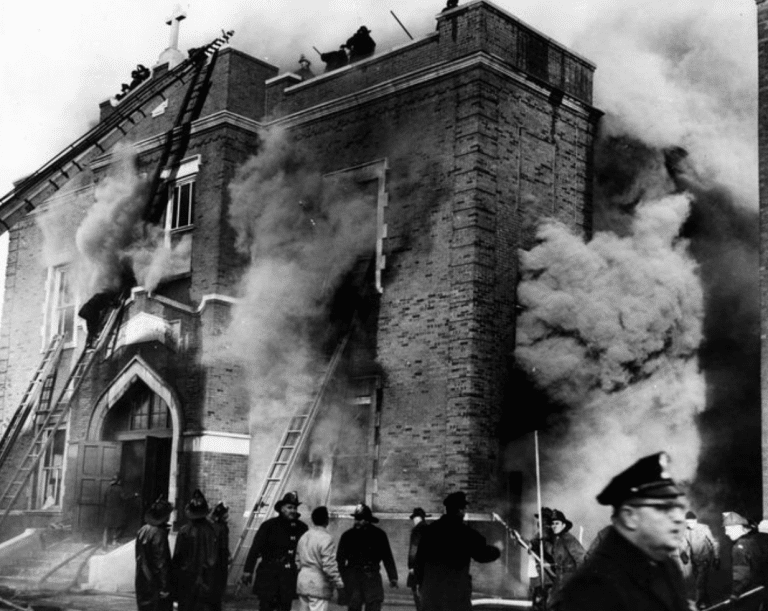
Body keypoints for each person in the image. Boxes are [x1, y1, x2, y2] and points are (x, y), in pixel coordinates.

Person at [559, 451, 690, 611]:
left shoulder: (667, 566)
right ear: (630, 516)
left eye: (678, 507)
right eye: (662, 508)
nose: (678, 518)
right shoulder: (593, 586)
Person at [414, 491, 500, 611]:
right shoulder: (467, 534)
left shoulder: (429, 531)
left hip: (431, 594)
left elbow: (419, 560)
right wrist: (497, 549)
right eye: (464, 509)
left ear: (447, 509)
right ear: (461, 510)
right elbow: (482, 555)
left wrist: (419, 583)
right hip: (456, 595)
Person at [242, 491, 309, 611]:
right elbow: (255, 548)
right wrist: (248, 570)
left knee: (285, 607)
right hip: (269, 573)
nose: (293, 510)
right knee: (266, 607)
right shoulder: (268, 526)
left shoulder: (301, 528)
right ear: (281, 508)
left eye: (294, 508)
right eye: (289, 507)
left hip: (288, 576)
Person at [336, 503, 398, 611]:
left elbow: (387, 557)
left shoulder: (379, 535)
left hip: (372, 577)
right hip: (353, 578)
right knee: (354, 607)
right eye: (356, 518)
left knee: (374, 606)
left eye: (360, 519)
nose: (357, 522)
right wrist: (340, 580)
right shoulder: (348, 536)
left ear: (368, 520)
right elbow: (340, 560)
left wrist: (393, 577)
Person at [173, 489, 219, 611]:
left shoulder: (184, 531)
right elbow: (213, 559)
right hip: (206, 579)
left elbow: (178, 557)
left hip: (186, 579)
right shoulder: (212, 531)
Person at [296, 506, 345, 611]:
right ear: (327, 520)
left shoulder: (304, 536)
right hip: (318, 585)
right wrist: (339, 585)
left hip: (302, 582)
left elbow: (297, 561)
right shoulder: (326, 538)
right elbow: (329, 566)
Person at [722, 511, 768, 610]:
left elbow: (742, 575)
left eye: (727, 529)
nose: (726, 533)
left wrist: (735, 594)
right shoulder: (758, 538)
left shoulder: (739, 547)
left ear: (737, 527)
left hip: (756, 590)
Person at [135, 496, 174, 611]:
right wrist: (164, 586)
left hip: (142, 581)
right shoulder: (159, 534)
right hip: (155, 584)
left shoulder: (143, 530)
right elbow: (161, 561)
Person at [675, 511, 719, 608]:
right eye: (687, 523)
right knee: (701, 584)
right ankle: (708, 604)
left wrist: (716, 557)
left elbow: (714, 542)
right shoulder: (686, 531)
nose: (690, 525)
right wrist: (682, 553)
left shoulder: (704, 528)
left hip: (705, 559)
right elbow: (683, 545)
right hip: (695, 560)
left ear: (696, 520)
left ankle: (698, 604)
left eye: (691, 522)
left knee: (699, 584)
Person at [547, 509, 586, 609]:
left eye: (557, 523)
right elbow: (556, 556)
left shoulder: (569, 539)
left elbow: (582, 559)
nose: (554, 525)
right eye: (552, 523)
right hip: (559, 579)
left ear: (564, 525)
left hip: (569, 579)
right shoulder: (558, 540)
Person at [407, 507, 431, 611]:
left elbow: (414, 549)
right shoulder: (431, 530)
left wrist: (412, 566)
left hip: (418, 570)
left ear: (417, 518)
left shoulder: (417, 530)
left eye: (414, 518)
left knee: (419, 598)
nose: (413, 521)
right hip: (430, 570)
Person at [209, 501, 230, 611]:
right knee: (218, 589)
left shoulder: (212, 526)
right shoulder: (222, 528)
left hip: (212, 562)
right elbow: (223, 546)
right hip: (220, 562)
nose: (228, 516)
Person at [103, 473, 128, 547]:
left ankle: (105, 544)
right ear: (119, 481)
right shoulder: (119, 489)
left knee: (107, 528)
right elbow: (124, 497)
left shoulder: (108, 488)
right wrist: (134, 495)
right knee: (119, 526)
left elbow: (104, 500)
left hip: (108, 511)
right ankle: (115, 541)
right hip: (117, 511)